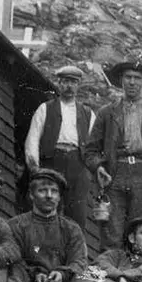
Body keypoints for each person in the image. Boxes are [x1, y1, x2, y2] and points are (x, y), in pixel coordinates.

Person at [85, 60, 142, 249]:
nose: (132, 82)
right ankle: (109, 277)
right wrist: (99, 167)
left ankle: (138, 277)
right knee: (112, 233)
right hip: (114, 176)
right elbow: (90, 151)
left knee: (141, 232)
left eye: (137, 78)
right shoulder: (106, 113)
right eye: (128, 77)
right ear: (121, 81)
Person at [4, 168, 96, 282]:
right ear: (31, 195)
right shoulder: (16, 225)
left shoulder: (71, 229)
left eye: (54, 191)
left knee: (86, 271)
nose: (49, 195)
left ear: (59, 197)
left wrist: (62, 274)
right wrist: (36, 274)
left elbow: (79, 261)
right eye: (42, 190)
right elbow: (13, 257)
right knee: (15, 267)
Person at [23, 64, 96, 233]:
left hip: (78, 163)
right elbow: (33, 139)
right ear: (59, 84)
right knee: (46, 207)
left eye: (73, 82)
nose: (69, 86)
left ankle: (74, 255)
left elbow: (94, 145)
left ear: (78, 86)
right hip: (52, 161)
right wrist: (35, 167)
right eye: (65, 82)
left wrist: (92, 168)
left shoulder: (87, 113)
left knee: (76, 212)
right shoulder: (45, 108)